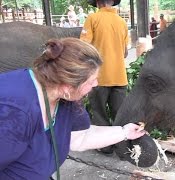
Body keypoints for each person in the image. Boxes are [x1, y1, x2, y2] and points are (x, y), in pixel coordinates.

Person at [0, 38, 145, 179]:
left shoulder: (66, 97)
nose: (96, 84)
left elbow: (80, 137)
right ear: (67, 85)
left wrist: (124, 132)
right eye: (91, 81)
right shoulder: (12, 111)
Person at [80, 0, 128, 154]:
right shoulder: (122, 22)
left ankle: (106, 147)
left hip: (98, 78)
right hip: (120, 77)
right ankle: (122, 148)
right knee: (119, 114)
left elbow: (83, 48)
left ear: (98, 2)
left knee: (99, 113)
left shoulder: (92, 19)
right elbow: (126, 52)